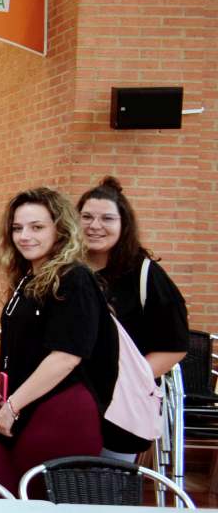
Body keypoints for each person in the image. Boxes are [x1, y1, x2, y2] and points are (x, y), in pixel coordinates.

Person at [0, 188, 118, 495]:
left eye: (37, 227)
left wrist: (12, 407)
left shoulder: (74, 278)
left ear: (59, 229)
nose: (24, 236)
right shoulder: (26, 278)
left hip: (59, 413)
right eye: (17, 228)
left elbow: (66, 356)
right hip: (18, 409)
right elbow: (15, 349)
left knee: (43, 511)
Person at [79, 177, 187, 462]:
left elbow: (174, 346)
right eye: (87, 217)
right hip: (70, 404)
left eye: (107, 218)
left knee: (108, 489)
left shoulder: (145, 275)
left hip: (119, 409)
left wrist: (123, 380)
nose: (95, 225)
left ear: (123, 225)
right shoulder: (66, 271)